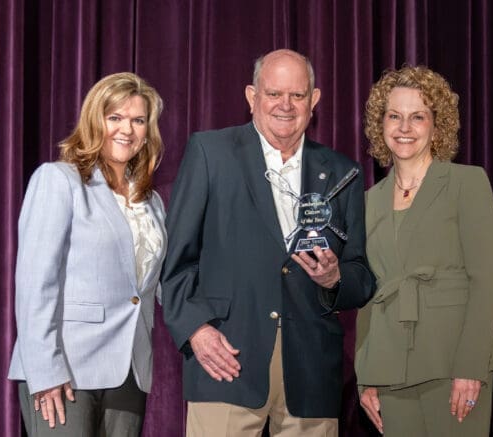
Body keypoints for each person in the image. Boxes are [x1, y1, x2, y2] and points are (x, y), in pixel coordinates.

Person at [161, 49, 376, 436]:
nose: (285, 105)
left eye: (297, 95)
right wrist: (197, 330)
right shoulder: (210, 153)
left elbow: (361, 277)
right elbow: (176, 263)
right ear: (251, 96)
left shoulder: (343, 173)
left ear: (314, 99)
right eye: (274, 93)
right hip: (225, 363)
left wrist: (334, 279)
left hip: (311, 374)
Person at [7, 72, 167, 436]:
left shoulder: (152, 203)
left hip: (129, 371)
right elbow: (35, 284)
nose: (127, 129)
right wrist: (45, 371)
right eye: (115, 117)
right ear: (95, 120)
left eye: (138, 120)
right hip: (65, 370)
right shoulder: (59, 180)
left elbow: (160, 286)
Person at [354, 65, 493, 436]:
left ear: (436, 126)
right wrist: (365, 375)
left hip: (453, 363)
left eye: (417, 117)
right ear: (380, 123)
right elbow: (367, 295)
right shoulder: (366, 202)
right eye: (394, 116)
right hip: (389, 369)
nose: (404, 127)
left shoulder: (466, 183)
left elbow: (486, 280)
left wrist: (471, 366)